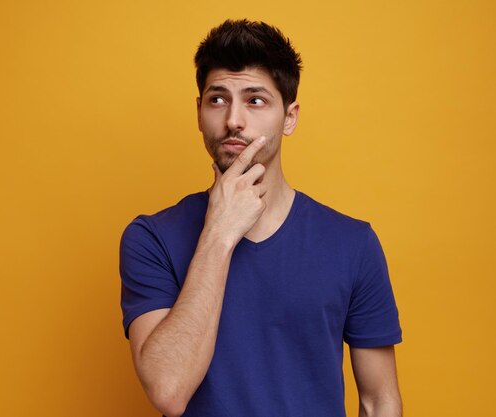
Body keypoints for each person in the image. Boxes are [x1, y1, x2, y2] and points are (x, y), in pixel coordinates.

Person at [119, 19, 402, 417]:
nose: (234, 119)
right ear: (199, 113)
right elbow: (168, 390)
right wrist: (219, 232)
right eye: (217, 99)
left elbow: (379, 401)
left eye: (255, 100)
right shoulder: (151, 238)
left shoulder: (352, 244)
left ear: (289, 117)